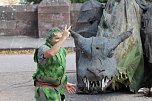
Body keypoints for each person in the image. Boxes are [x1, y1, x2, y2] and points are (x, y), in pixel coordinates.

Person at [33, 25, 76, 101]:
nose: (59, 40)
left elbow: (60, 68)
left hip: (57, 89)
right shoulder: (43, 48)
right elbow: (50, 53)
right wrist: (63, 38)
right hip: (45, 90)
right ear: (49, 39)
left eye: (60, 38)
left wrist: (64, 82)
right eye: (56, 38)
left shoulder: (61, 50)